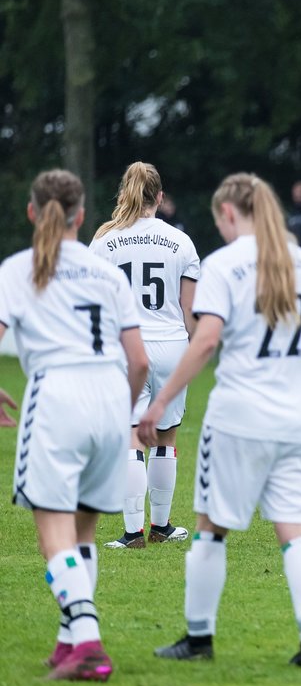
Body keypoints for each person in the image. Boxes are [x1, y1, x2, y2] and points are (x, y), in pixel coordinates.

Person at [141, 173, 301, 668]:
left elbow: (205, 340)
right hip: (299, 418)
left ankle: (199, 639)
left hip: (239, 416)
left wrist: (160, 404)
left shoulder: (224, 265)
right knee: (294, 528)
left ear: (228, 213)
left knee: (210, 528)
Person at [0, 169, 149, 681]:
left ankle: (87, 640)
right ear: (82, 215)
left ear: (32, 212)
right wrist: (123, 412)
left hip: (56, 398)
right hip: (110, 398)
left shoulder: (18, 269)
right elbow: (140, 362)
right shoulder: (107, 271)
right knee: (83, 534)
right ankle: (68, 644)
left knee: (54, 536)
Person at [90, 161, 201, 549]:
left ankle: (133, 532)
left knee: (131, 436)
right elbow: (189, 314)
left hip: (127, 346)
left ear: (125, 193)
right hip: (172, 345)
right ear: (160, 197)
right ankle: (163, 527)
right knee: (166, 438)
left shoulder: (105, 241)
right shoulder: (181, 241)